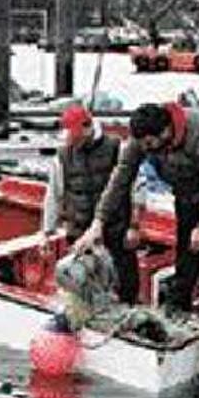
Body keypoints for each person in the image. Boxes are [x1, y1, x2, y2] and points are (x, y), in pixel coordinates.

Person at [75, 102, 199, 318]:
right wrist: (98, 223)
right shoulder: (142, 141)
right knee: (186, 241)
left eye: (148, 143)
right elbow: (121, 178)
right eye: (141, 144)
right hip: (186, 183)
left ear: (165, 131)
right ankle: (179, 304)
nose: (145, 149)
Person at [41, 105, 141, 305]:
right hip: (80, 232)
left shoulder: (116, 148)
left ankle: (126, 310)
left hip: (116, 230)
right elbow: (54, 195)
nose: (72, 141)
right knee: (82, 284)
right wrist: (47, 232)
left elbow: (136, 187)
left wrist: (134, 225)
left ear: (87, 129)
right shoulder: (62, 157)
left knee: (125, 280)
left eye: (75, 136)